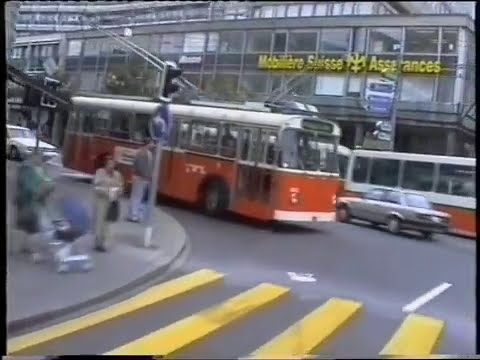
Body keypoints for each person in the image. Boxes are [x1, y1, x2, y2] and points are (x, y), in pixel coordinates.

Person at [15, 152, 55, 258]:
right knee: (33, 226)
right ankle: (34, 251)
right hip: (29, 202)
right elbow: (27, 187)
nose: (42, 161)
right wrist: (39, 191)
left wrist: (48, 186)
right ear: (34, 158)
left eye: (42, 159)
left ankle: (26, 246)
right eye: (40, 158)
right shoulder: (27, 169)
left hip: (35, 202)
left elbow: (48, 182)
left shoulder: (39, 170)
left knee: (30, 226)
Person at [93, 155, 124, 252]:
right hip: (101, 201)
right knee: (99, 222)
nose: (111, 166)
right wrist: (106, 191)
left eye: (112, 164)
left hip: (112, 202)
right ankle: (98, 242)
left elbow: (121, 188)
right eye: (109, 164)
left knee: (107, 224)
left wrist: (117, 192)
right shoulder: (100, 172)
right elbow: (96, 187)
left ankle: (104, 243)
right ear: (105, 164)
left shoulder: (118, 175)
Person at [128, 141, 154, 222]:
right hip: (139, 177)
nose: (153, 144)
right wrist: (146, 176)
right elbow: (140, 167)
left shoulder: (148, 153)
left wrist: (149, 177)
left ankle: (135, 214)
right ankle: (134, 215)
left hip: (143, 178)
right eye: (152, 143)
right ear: (147, 143)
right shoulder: (141, 153)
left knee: (138, 196)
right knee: (137, 196)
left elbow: (149, 167)